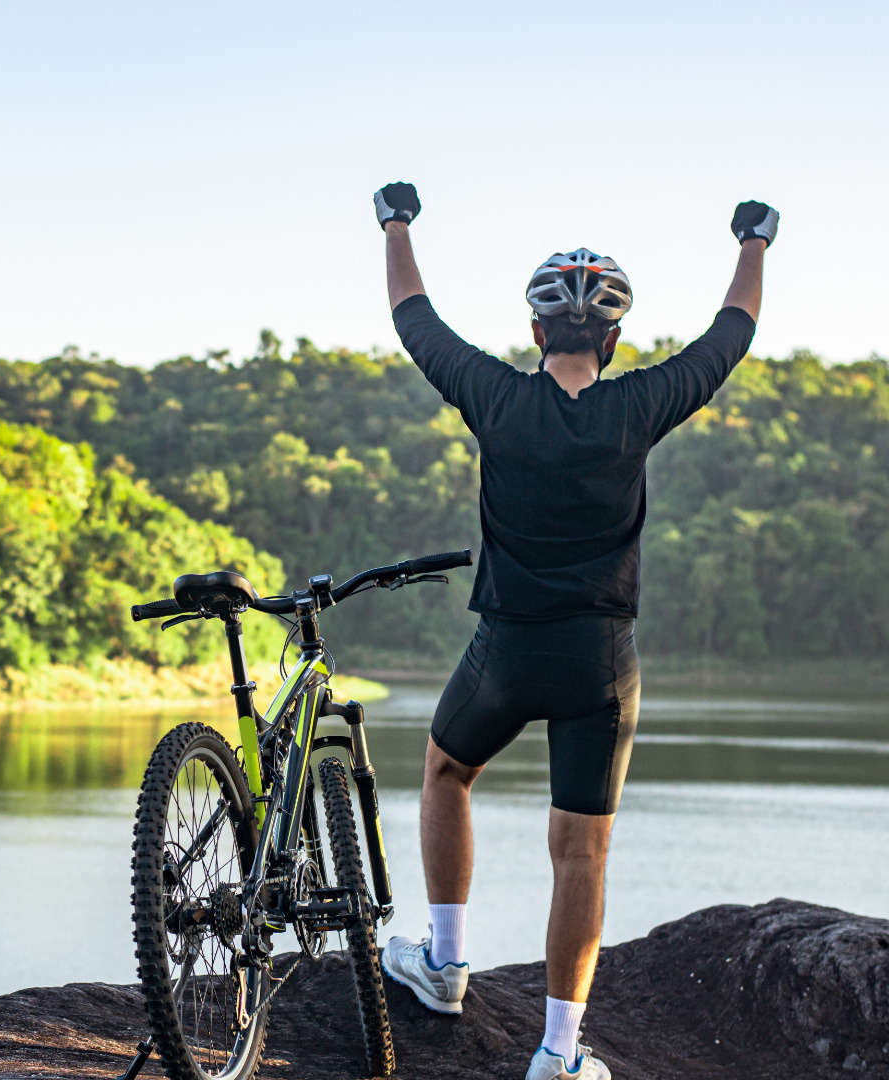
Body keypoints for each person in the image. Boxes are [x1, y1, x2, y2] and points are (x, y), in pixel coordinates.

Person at [369, 181, 778, 1080]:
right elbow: (729, 338)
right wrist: (754, 241)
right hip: (601, 663)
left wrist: (395, 223)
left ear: (535, 333)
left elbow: (414, 316)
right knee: (581, 849)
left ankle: (443, 964)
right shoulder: (638, 405)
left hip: (506, 652)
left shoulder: (496, 397)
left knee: (446, 769)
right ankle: (558, 1055)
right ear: (615, 341)